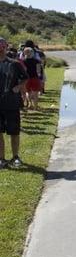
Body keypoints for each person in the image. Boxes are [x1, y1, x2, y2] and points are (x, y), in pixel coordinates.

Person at [0, 37, 28, 169]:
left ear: (6, 47)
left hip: (12, 103)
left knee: (14, 132)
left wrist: (18, 87)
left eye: (2, 46)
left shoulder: (15, 63)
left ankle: (15, 157)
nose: (1, 49)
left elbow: (25, 78)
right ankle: (1, 159)